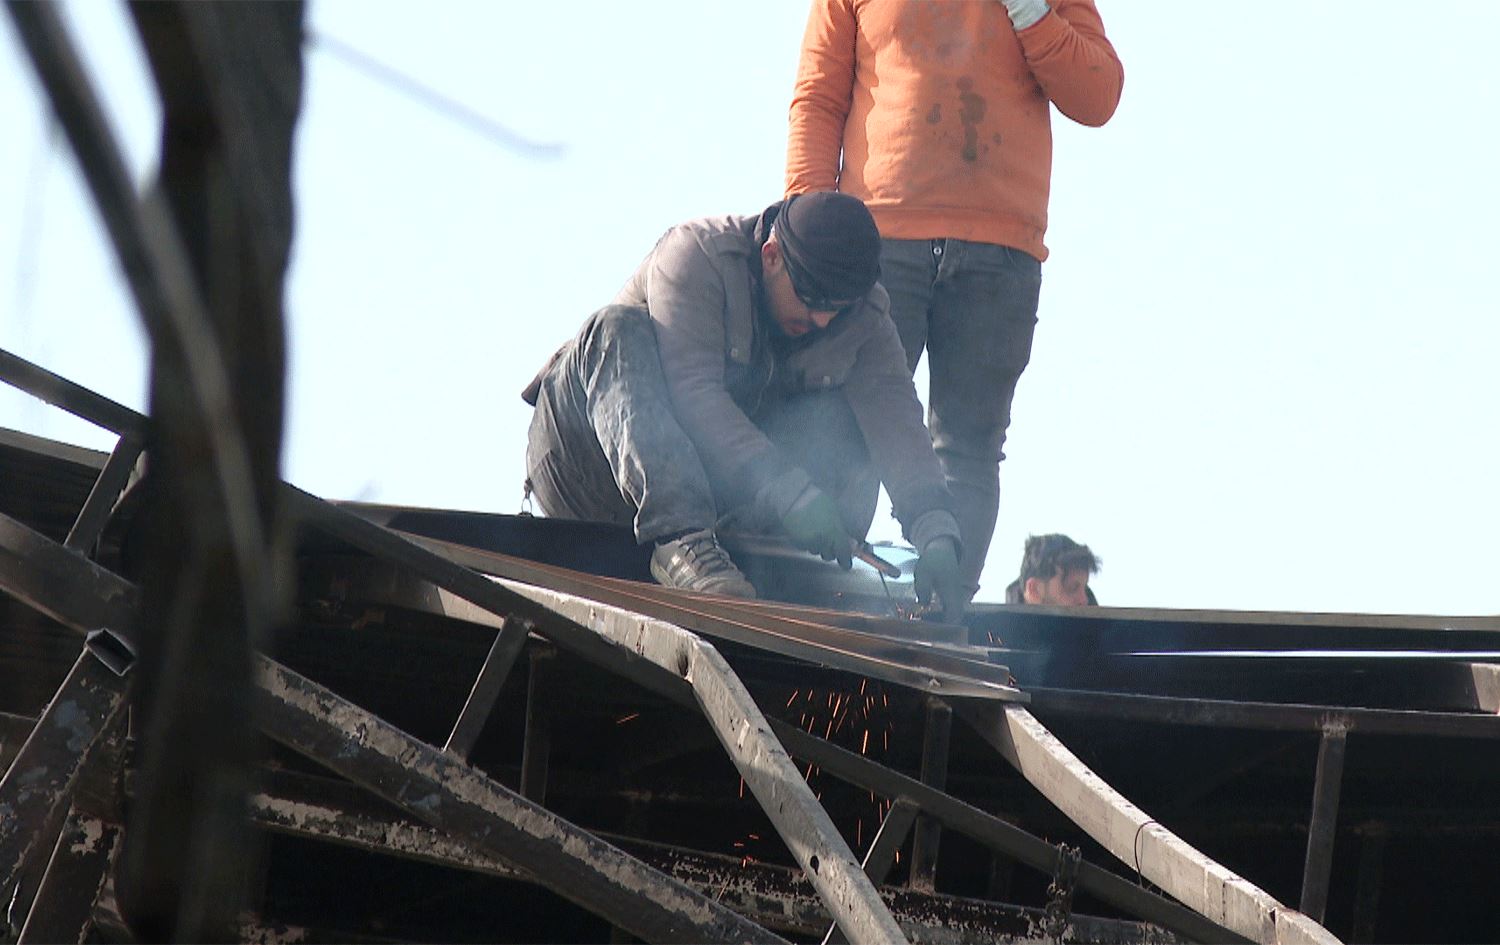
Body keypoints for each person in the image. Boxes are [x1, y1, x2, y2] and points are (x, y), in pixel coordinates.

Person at [786, 0, 1123, 603]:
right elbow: (818, 98)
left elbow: (1097, 95)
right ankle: (817, 611)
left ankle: (941, 621)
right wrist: (811, 230)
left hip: (1000, 251)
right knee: (845, 427)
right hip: (876, 240)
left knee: (967, 449)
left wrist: (1029, 10)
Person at [521, 192, 967, 620]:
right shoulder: (696, 254)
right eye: (812, 299)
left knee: (841, 420)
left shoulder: (865, 316)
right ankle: (682, 541)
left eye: (838, 309)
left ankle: (795, 568)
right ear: (771, 256)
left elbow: (896, 419)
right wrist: (791, 492)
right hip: (586, 468)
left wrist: (935, 529)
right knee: (616, 328)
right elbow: (693, 395)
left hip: (720, 500)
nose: (822, 320)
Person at [1003, 533, 1100, 606]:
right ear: (1034, 590)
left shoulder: (1098, 625)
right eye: (1072, 588)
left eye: (1084, 588)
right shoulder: (999, 627)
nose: (1084, 600)